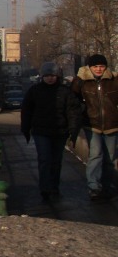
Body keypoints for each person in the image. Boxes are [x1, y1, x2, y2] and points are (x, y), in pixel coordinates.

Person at [20, 62, 82, 201]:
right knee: (44, 159)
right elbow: (27, 111)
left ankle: (54, 186)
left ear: (57, 76)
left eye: (52, 75)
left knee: (56, 161)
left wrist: (73, 131)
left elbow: (73, 111)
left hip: (59, 132)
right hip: (41, 132)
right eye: (47, 76)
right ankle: (45, 188)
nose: (50, 78)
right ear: (42, 76)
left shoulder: (65, 91)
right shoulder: (35, 91)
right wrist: (26, 128)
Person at [70, 53, 118, 200]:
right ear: (90, 67)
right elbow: (72, 100)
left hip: (112, 124)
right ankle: (94, 187)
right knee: (95, 155)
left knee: (111, 158)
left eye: (101, 66)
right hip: (92, 124)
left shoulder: (113, 80)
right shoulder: (82, 81)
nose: (98, 69)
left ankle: (109, 186)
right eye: (95, 66)